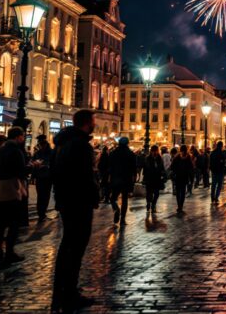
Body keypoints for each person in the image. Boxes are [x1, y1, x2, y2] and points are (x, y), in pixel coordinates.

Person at [51, 110, 99, 313]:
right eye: (94, 121)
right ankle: (68, 293)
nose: (95, 124)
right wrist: (93, 195)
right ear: (88, 123)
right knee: (75, 247)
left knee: (68, 246)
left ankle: (62, 292)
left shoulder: (64, 143)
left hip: (66, 200)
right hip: (78, 201)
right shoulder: (79, 145)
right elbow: (83, 176)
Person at [0, 127, 28, 263]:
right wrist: (33, 167)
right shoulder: (16, 151)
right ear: (18, 137)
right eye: (23, 136)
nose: (23, 139)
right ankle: (9, 252)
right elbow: (20, 171)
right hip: (11, 188)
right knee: (13, 223)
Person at [108, 137, 136, 226]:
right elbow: (133, 168)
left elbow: (110, 167)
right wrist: (133, 179)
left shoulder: (113, 153)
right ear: (127, 143)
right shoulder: (131, 154)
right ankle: (123, 220)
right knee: (124, 200)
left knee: (113, 198)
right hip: (126, 180)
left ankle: (116, 209)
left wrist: (110, 177)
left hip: (116, 178)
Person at [32, 135, 53, 222]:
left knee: (45, 196)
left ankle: (42, 213)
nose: (41, 145)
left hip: (48, 177)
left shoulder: (51, 152)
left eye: (42, 144)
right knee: (41, 196)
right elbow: (33, 164)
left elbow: (54, 164)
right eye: (40, 144)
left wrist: (47, 166)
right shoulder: (37, 153)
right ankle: (41, 213)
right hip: (40, 177)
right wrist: (34, 175)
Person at [143, 145, 166, 215]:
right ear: (151, 151)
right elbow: (145, 169)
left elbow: (162, 168)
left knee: (156, 193)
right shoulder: (147, 158)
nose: (155, 152)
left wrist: (163, 174)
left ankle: (153, 204)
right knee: (149, 193)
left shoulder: (160, 158)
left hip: (157, 179)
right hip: (149, 178)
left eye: (156, 151)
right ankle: (148, 203)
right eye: (153, 151)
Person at [171, 144, 193, 212]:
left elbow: (172, 167)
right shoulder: (188, 157)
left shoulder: (177, 157)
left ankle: (179, 206)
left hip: (179, 177)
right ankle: (180, 206)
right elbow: (191, 168)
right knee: (182, 192)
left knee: (180, 192)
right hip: (184, 177)